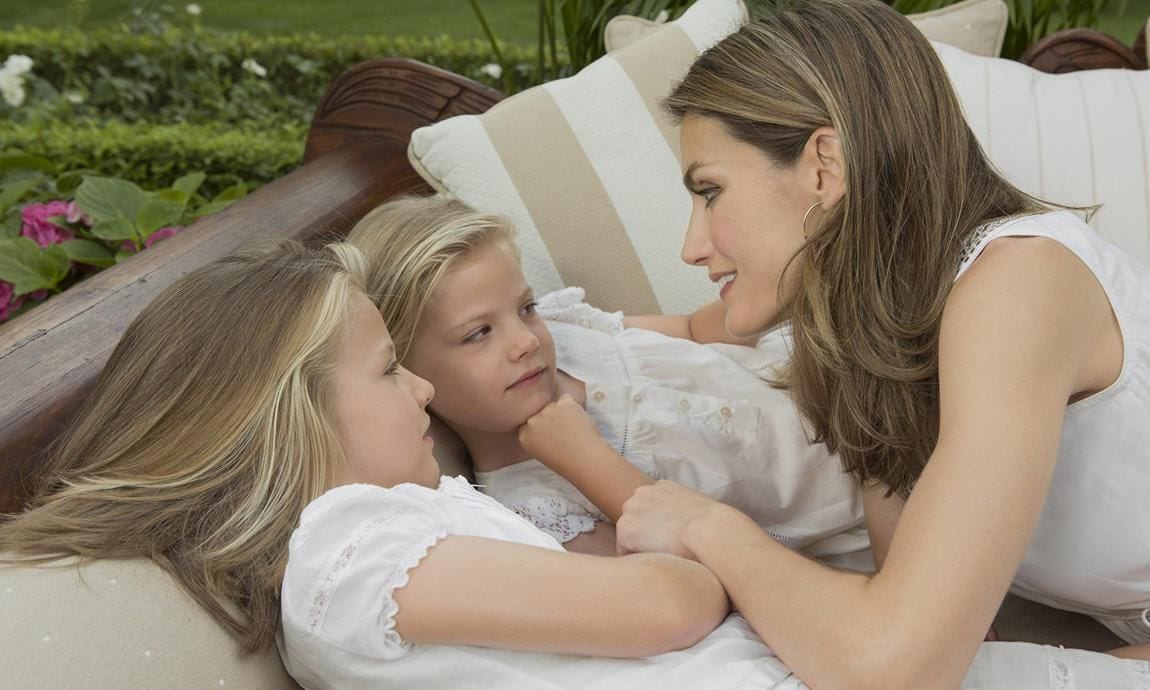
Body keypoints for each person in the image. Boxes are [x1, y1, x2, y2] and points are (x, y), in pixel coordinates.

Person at [515, 0, 1150, 687]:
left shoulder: (1020, 285)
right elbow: (914, 615)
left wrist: (709, 529)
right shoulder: (873, 338)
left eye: (710, 191)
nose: (691, 247)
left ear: (824, 166)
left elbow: (897, 663)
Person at [0, 239, 775, 688]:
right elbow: (668, 608)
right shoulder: (350, 551)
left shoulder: (392, 530)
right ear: (292, 418)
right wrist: (698, 560)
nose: (424, 388)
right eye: (386, 370)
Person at [344, 194, 868, 563]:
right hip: (853, 511)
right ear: (408, 371)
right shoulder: (535, 507)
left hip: (827, 384)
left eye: (524, 308)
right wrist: (589, 461)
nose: (525, 339)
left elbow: (692, 329)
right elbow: (698, 571)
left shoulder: (568, 333)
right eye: (478, 333)